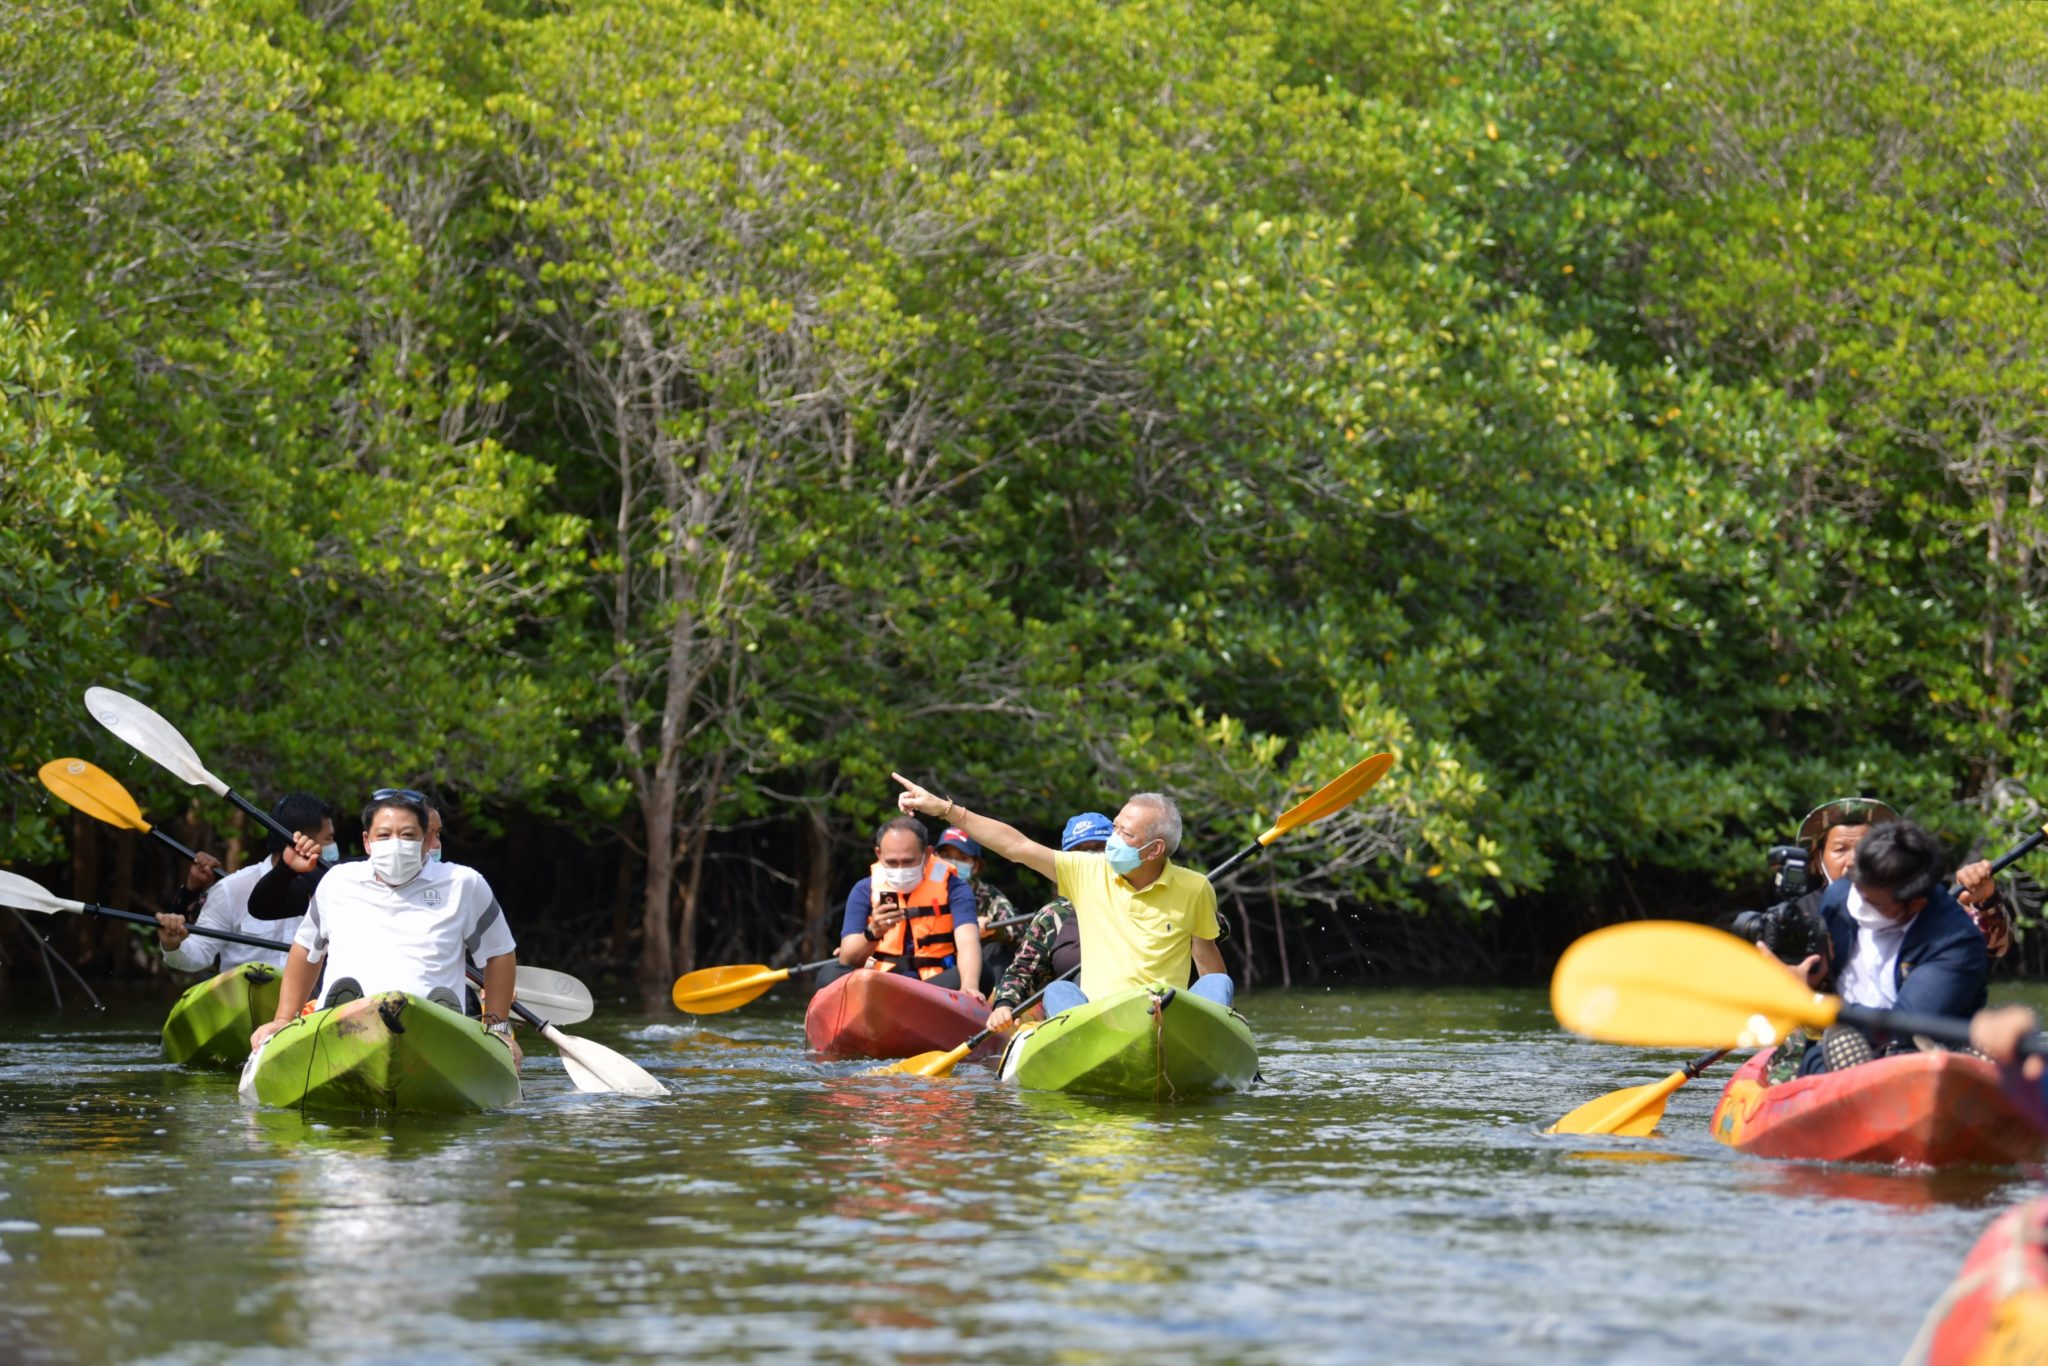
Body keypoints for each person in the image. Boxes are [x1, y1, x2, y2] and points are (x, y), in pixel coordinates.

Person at [890, 774, 1231, 1017]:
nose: (1112, 839)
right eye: (1114, 825)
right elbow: (1016, 846)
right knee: (1056, 991)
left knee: (1218, 984)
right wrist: (944, 809)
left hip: (1164, 1013)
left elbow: (1205, 956)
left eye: (1123, 833)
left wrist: (1228, 1024)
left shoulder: (1196, 887)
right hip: (1098, 1019)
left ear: (1155, 848)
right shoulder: (1087, 872)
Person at [249, 791, 520, 1065]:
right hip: (344, 1031)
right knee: (346, 1007)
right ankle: (342, 1014)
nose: (396, 843)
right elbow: (307, 948)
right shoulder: (337, 880)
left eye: (407, 835)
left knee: (430, 1013)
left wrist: (497, 1029)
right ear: (367, 841)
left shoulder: (465, 883)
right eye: (384, 835)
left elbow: (499, 952)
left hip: (432, 1036)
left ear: (426, 840)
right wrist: (283, 1019)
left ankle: (439, 1018)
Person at [1783, 819, 1989, 1075]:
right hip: (1840, 1045)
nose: (1858, 905)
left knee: (1988, 1051)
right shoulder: (1838, 897)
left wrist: (1810, 1001)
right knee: (1840, 1041)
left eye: (1874, 904)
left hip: (1924, 1056)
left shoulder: (1956, 942)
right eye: (1858, 891)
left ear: (1915, 905)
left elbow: (1902, 1028)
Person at [154, 793, 336, 974]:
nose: (334, 845)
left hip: (311, 1002)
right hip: (244, 1001)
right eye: (328, 838)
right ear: (303, 841)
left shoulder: (336, 887)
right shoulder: (231, 889)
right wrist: (172, 944)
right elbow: (198, 954)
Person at [816, 816, 982, 997]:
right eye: (892, 862)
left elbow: (967, 941)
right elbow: (847, 959)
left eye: (908, 861)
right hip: (880, 983)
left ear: (927, 855)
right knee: (829, 974)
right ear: (879, 854)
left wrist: (969, 986)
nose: (901, 869)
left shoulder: (955, 887)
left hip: (934, 987)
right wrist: (874, 931)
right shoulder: (863, 890)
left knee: (982, 973)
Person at [983, 811, 1110, 1033]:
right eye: (1080, 851)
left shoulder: (1142, 901)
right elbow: (1022, 971)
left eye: (1099, 847)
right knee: (1057, 989)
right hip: (1074, 1008)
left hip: (1127, 1004)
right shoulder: (1053, 916)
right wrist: (1004, 1005)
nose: (1090, 856)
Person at [933, 825, 1019, 994]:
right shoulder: (921, 890)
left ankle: (995, 1001)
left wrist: (994, 930)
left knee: (995, 949)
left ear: (975, 865)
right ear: (934, 857)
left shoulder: (988, 896)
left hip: (974, 973)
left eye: (962, 857)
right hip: (933, 968)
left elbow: (1017, 930)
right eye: (945, 855)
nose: (952, 862)